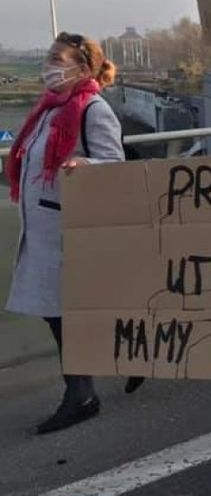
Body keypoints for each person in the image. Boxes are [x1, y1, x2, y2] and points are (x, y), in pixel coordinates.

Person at [5, 33, 124, 433]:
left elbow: (114, 162)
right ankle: (86, 386)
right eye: (49, 56)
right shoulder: (47, 109)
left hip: (70, 230)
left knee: (64, 316)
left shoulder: (91, 108)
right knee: (56, 315)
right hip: (43, 229)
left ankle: (81, 394)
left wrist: (88, 164)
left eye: (58, 58)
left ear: (82, 68)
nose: (49, 64)